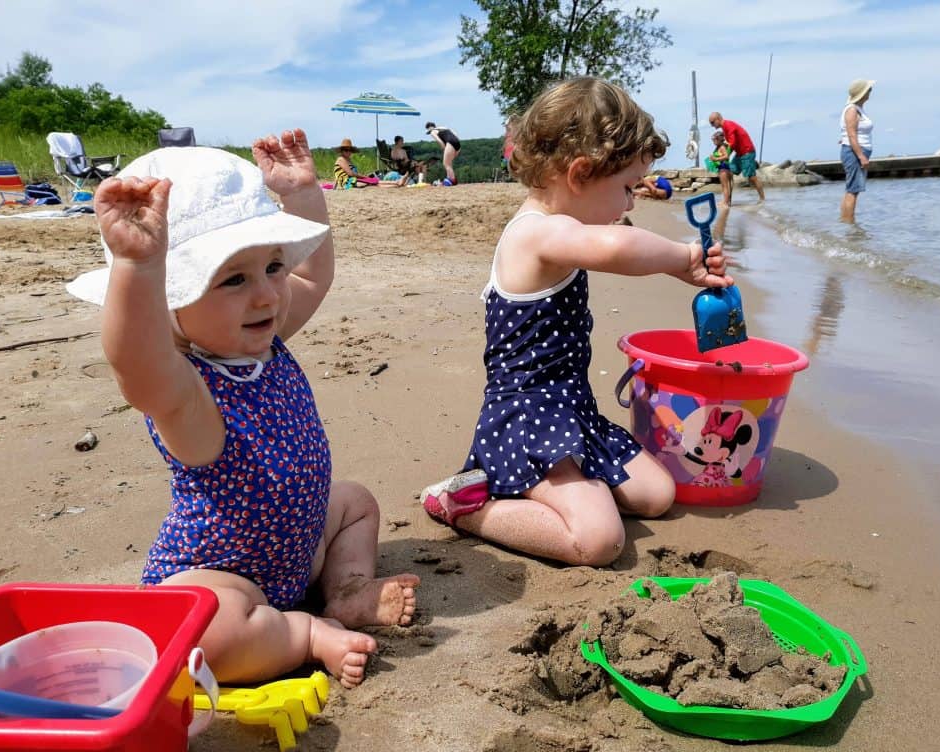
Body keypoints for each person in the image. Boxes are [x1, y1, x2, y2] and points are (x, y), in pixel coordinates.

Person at [65, 130, 419, 688]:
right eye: (233, 278)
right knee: (207, 632)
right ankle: (305, 632)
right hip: (228, 578)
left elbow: (312, 276)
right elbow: (137, 363)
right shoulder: (187, 394)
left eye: (271, 267)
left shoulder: (261, 336)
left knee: (354, 503)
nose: (267, 296)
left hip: (300, 543)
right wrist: (138, 267)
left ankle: (347, 590)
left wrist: (302, 194)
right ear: (168, 301)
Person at [418, 78, 733, 566]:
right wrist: (682, 257)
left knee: (656, 495)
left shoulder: (564, 226)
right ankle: (465, 507)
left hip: (572, 411)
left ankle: (563, 490)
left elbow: (613, 235)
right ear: (581, 173)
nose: (630, 204)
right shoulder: (536, 234)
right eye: (626, 188)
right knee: (599, 540)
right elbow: (616, 247)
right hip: (527, 419)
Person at [708, 112, 765, 202]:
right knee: (729, 172)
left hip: (747, 152)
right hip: (739, 154)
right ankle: (728, 200)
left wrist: (725, 156)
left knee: (751, 177)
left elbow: (732, 143)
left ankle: (762, 199)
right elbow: (729, 144)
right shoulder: (724, 128)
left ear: (718, 119)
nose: (711, 125)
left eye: (712, 122)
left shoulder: (728, 125)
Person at [839, 78, 874, 223]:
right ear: (863, 93)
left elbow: (849, 132)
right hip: (854, 154)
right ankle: (849, 223)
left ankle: (846, 222)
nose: (871, 92)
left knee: (853, 189)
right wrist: (861, 156)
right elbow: (852, 134)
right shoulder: (852, 110)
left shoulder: (857, 108)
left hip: (855, 151)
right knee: (853, 190)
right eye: (869, 89)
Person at [334, 138, 408, 189]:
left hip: (351, 181)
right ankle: (397, 182)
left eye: (350, 150)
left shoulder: (348, 160)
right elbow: (350, 173)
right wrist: (363, 176)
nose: (348, 152)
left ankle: (397, 183)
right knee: (371, 182)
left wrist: (364, 177)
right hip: (348, 183)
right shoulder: (341, 159)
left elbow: (340, 176)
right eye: (346, 150)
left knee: (373, 182)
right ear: (342, 151)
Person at [707, 129, 733, 206]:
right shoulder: (719, 147)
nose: (713, 142)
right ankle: (727, 201)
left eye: (714, 140)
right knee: (726, 186)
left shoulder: (722, 147)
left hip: (724, 168)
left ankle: (725, 202)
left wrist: (715, 159)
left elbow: (726, 157)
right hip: (723, 168)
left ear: (718, 139)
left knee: (725, 186)